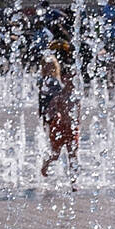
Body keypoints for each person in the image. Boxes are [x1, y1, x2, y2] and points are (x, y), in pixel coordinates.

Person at [38, 54, 79, 188]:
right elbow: (50, 108)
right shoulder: (59, 94)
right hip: (59, 127)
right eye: (70, 80)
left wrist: (77, 125)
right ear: (65, 80)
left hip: (72, 128)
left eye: (74, 81)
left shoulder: (75, 97)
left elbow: (78, 113)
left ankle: (73, 182)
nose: (72, 83)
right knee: (55, 154)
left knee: (72, 154)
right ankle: (45, 165)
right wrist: (49, 120)